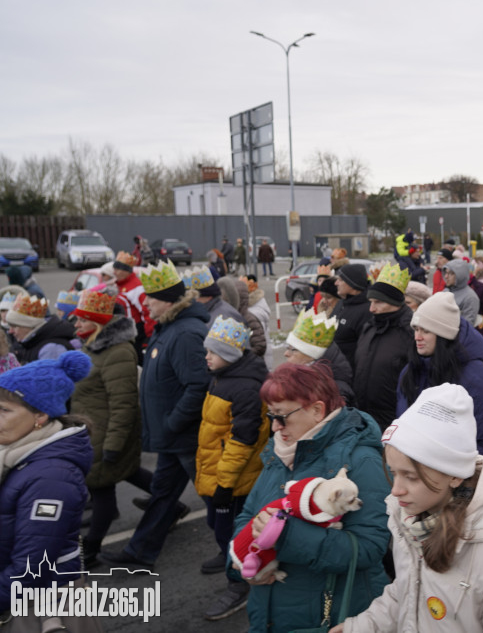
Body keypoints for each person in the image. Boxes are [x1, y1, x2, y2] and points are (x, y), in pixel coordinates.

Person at [338, 384, 483, 632]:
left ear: (454, 476)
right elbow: (406, 592)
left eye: (410, 477)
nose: (395, 490)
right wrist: (360, 627)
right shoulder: (410, 523)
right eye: (394, 473)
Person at [235, 362, 390, 631]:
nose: (275, 427)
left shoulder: (360, 460)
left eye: (282, 416)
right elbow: (248, 516)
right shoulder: (280, 452)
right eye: (271, 416)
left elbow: (369, 548)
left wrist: (285, 537)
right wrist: (239, 563)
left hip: (327, 617)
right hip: (270, 615)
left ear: (317, 410)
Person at [101, 261, 211, 569]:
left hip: (184, 435)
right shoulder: (170, 328)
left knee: (217, 499)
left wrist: (173, 422)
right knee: (162, 494)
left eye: (151, 297)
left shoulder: (186, 333)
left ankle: (244, 554)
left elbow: (198, 386)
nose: (145, 302)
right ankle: (140, 552)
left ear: (169, 300)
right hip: (172, 436)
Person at [0, 353, 98, 630]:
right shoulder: (16, 452)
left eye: (4, 410)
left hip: (38, 605)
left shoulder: (52, 477)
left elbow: (31, 566)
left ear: (40, 416)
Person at [195, 315, 269, 620]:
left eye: (212, 352)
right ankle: (230, 560)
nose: (206, 357)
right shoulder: (224, 378)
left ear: (227, 355)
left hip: (233, 480)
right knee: (218, 525)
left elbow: (241, 442)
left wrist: (224, 485)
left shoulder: (243, 388)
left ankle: (238, 584)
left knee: (232, 533)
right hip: (216, 472)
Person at [69, 287, 144, 567]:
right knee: (127, 473)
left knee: (101, 486)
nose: (76, 325)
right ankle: (170, 505)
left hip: (105, 433)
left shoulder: (118, 352)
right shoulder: (95, 343)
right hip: (92, 430)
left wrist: (112, 444)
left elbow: (123, 404)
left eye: (81, 320)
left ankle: (90, 551)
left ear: (98, 322)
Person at [397, 291, 483, 462]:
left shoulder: (475, 377)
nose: (417, 337)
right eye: (416, 329)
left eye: (426, 331)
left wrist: (455, 479)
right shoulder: (410, 371)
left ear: (443, 335)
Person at [353, 262, 414, 432]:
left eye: (378, 302)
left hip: (395, 422)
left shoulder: (411, 332)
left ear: (394, 302)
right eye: (371, 302)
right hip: (364, 419)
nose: (372, 308)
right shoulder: (369, 327)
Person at [284, 308, 355, 405]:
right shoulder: (301, 375)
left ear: (311, 355)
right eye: (288, 347)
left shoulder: (336, 391)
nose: (286, 354)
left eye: (293, 349)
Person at [6, 293, 78, 364]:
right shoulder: (32, 342)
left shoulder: (50, 350)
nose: (10, 331)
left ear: (28, 326)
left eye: (15, 326)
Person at [112, 250, 155, 363]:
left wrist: (149, 336)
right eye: (114, 269)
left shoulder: (136, 287)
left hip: (137, 331)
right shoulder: (121, 285)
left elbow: (147, 311)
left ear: (126, 271)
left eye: (118, 269)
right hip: (127, 330)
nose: (114, 272)